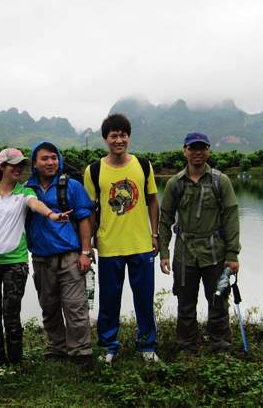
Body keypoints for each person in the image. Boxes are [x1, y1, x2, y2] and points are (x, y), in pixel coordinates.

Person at [0, 148, 70, 369]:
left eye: (21, 165)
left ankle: (15, 361)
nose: (18, 169)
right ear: (2, 167)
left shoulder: (25, 192)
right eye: (13, 165)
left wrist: (52, 215)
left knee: (11, 313)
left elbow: (35, 204)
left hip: (16, 264)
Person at [83, 113, 160, 364]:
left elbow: (152, 200)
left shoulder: (143, 165)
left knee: (144, 299)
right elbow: (89, 210)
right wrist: (88, 245)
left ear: (129, 137)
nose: (119, 140)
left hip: (141, 244)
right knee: (109, 300)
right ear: (105, 139)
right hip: (109, 246)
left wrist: (154, 233)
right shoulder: (94, 170)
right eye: (114, 135)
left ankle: (147, 345)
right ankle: (109, 346)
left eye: (123, 135)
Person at [158, 132, 241, 354]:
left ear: (208, 151)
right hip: (184, 254)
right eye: (192, 148)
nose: (197, 152)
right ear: (184, 151)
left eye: (202, 148)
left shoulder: (220, 181)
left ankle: (220, 346)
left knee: (218, 301)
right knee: (185, 303)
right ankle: (187, 347)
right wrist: (164, 252)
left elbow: (231, 217)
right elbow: (165, 219)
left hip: (215, 253)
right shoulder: (175, 184)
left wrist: (232, 254)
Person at [24, 141, 94, 368]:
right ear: (35, 163)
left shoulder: (71, 186)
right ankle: (57, 346)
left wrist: (85, 252)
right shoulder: (26, 189)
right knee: (49, 305)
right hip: (41, 257)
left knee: (75, 305)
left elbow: (84, 219)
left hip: (70, 255)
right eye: (44, 158)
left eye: (54, 157)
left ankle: (81, 351)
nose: (50, 162)